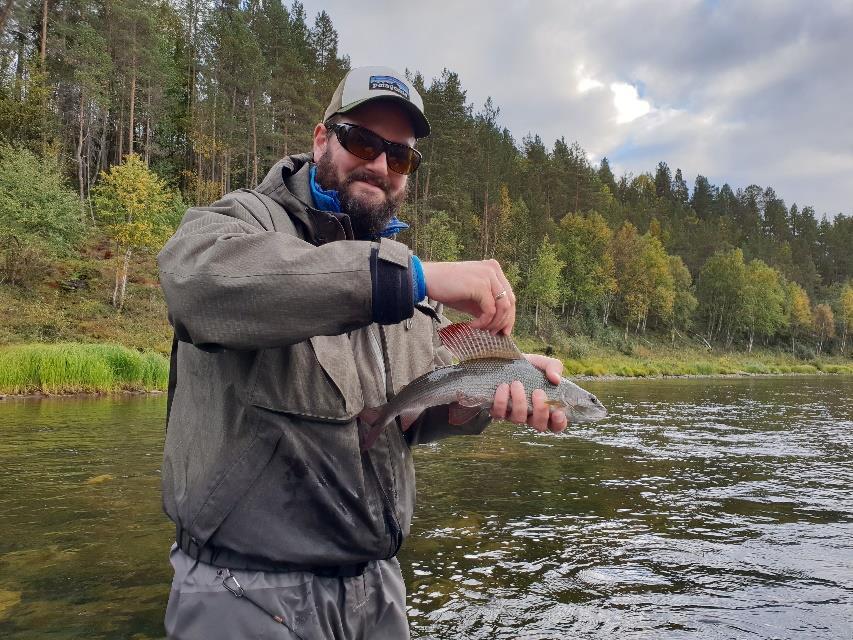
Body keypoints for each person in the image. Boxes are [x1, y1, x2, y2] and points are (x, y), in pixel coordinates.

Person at [158, 65, 568, 639]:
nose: (379, 164)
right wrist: (415, 277)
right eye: (362, 141)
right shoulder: (244, 223)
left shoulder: (399, 277)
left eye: (399, 156)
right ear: (322, 139)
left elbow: (406, 419)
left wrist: (483, 399)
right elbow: (194, 286)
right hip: (244, 592)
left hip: (376, 590)